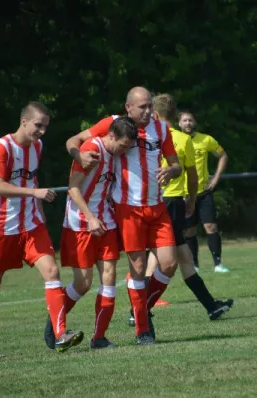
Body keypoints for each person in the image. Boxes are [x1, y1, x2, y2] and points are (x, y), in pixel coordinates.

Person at [66, 87, 181, 345]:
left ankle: (140, 309)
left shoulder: (161, 129)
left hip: (157, 206)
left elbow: (176, 164)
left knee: (169, 264)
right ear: (128, 107)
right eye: (142, 107)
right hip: (128, 208)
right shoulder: (114, 124)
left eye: (150, 106)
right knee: (138, 269)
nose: (148, 111)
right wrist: (79, 154)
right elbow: (73, 140)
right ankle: (143, 330)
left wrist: (171, 171)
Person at [0, 101, 82, 359]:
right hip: (2, 227)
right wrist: (35, 193)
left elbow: (30, 178)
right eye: (38, 125)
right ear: (24, 121)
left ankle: (60, 336)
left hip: (31, 225)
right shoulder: (3, 147)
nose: (42, 131)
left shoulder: (38, 146)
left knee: (52, 271)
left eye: (45, 126)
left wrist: (39, 213)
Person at [43, 116, 138, 350]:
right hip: (81, 223)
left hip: (105, 222)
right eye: (123, 146)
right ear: (112, 136)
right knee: (83, 283)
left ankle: (99, 338)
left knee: (109, 276)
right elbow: (73, 189)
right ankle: (55, 325)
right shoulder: (91, 150)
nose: (125, 151)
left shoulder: (115, 152)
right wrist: (91, 217)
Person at [137, 93, 233, 320]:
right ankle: (139, 310)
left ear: (156, 114)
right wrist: (191, 200)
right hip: (172, 203)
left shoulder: (146, 137)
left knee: (183, 257)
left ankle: (211, 306)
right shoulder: (182, 139)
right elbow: (192, 176)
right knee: (164, 258)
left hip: (155, 201)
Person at [180, 112, 230, 273]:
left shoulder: (206, 139)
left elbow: (222, 155)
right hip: (184, 194)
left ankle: (218, 263)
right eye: (184, 120)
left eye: (190, 120)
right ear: (179, 124)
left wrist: (215, 179)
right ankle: (194, 264)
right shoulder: (175, 140)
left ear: (194, 122)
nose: (187, 123)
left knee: (211, 227)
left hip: (203, 192)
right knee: (189, 230)